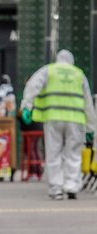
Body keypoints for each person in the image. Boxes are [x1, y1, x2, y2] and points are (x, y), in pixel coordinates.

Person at [20, 49, 97, 200]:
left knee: (53, 152)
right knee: (74, 153)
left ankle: (56, 188)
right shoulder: (79, 74)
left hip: (53, 117)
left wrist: (26, 106)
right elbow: (88, 103)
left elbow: (33, 86)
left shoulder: (48, 70)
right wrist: (91, 127)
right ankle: (71, 186)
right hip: (75, 119)